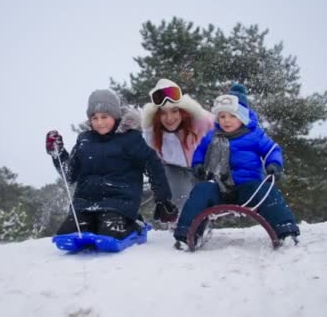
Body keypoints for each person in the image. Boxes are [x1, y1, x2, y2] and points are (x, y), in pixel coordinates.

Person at [45, 89, 179, 240]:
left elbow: (153, 166)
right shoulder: (84, 140)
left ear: (115, 116)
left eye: (104, 117)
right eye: (94, 118)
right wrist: (58, 153)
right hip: (84, 205)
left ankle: (136, 224)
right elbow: (70, 174)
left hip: (120, 203)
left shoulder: (131, 139)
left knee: (109, 231)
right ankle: (93, 225)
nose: (99, 122)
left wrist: (163, 200)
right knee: (69, 234)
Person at [173, 93, 300, 244]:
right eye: (222, 116)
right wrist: (198, 164)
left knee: (266, 191)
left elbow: (271, 149)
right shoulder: (212, 135)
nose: (226, 120)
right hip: (218, 185)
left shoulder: (255, 135)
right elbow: (200, 150)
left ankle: (285, 230)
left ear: (243, 117)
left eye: (232, 116)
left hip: (247, 185)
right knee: (201, 191)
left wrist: (274, 165)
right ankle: (187, 234)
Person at [142, 79, 213, 209]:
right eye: (163, 113)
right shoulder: (152, 133)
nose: (169, 118)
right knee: (182, 199)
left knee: (204, 197)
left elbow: (228, 128)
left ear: (183, 111)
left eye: (174, 111)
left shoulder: (201, 121)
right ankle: (179, 220)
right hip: (173, 170)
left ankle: (204, 218)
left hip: (201, 167)